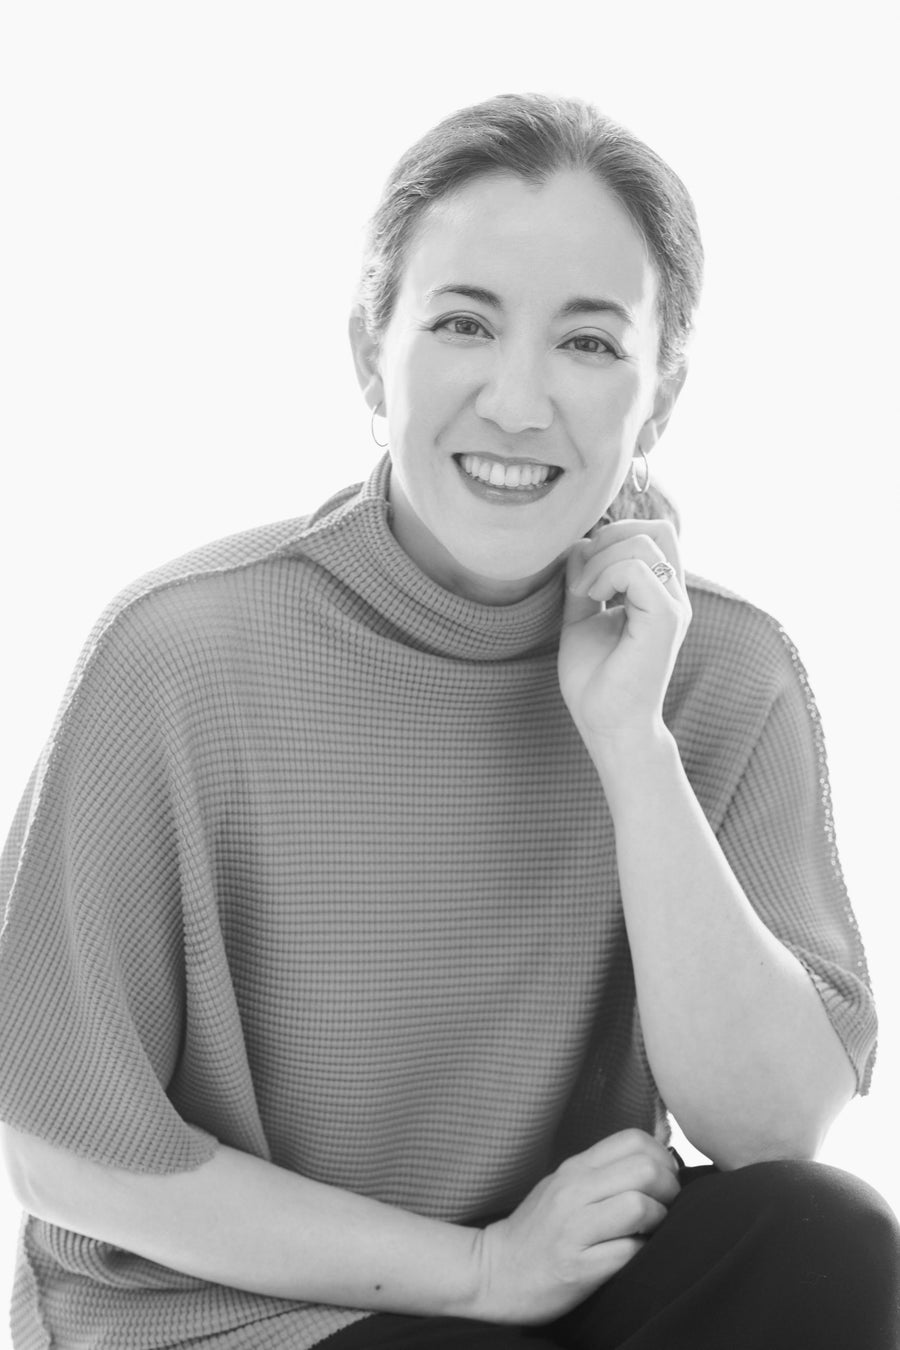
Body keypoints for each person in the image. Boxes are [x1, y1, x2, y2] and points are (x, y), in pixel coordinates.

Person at [0, 92, 897, 1350]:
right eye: (464, 323)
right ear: (372, 354)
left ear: (662, 393)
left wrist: (632, 744)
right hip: (238, 1311)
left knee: (826, 1243)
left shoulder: (721, 670)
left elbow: (770, 1129)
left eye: (589, 343)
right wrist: (477, 1270)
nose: (519, 403)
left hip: (552, 1283)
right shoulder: (179, 653)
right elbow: (60, 1155)